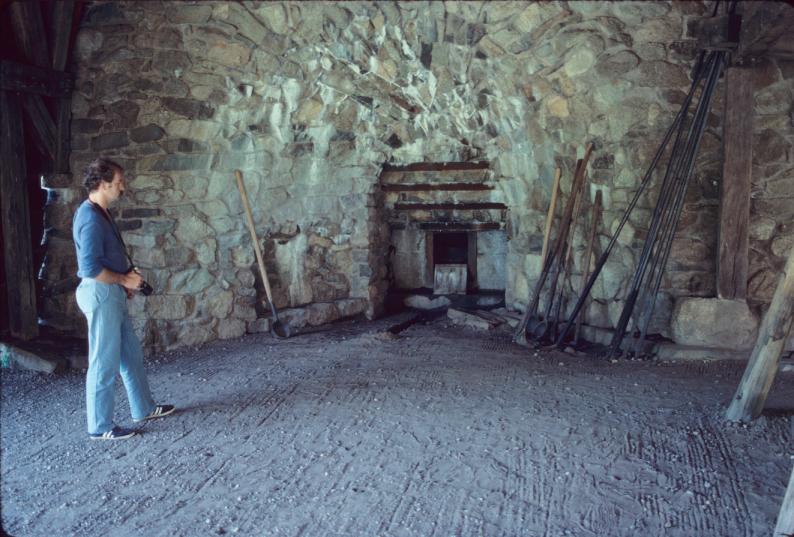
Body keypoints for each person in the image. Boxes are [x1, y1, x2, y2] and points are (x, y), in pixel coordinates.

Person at [72, 158, 174, 440]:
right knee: (103, 362)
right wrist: (122, 279)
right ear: (103, 185)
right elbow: (90, 267)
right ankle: (100, 427)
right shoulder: (91, 219)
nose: (122, 188)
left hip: (110, 292)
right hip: (101, 293)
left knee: (130, 354)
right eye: (118, 183)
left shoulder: (98, 212)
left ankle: (144, 407)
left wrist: (125, 276)